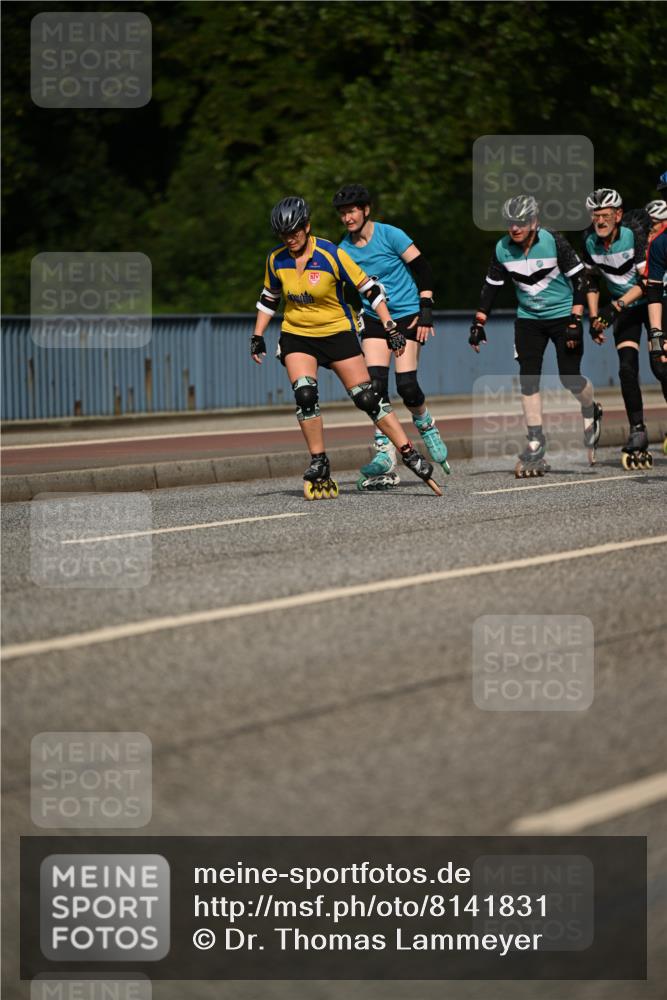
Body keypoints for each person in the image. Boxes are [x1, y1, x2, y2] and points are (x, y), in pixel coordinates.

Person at [250, 196, 442, 498]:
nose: (290, 239)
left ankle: (408, 453)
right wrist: (258, 334)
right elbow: (269, 297)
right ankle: (319, 461)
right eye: (284, 234)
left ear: (307, 227)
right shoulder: (277, 259)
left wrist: (389, 325)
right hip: (297, 335)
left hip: (337, 333)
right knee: (305, 394)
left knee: (368, 398)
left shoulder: (331, 253)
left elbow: (371, 289)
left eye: (295, 232)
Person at [468, 195, 602, 477]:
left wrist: (576, 319)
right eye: (510, 223)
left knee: (569, 377)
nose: (514, 228)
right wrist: (479, 323)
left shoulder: (553, 241)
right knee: (528, 378)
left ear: (534, 221)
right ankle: (535, 439)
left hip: (563, 315)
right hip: (529, 319)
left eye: (520, 223)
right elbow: (491, 287)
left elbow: (581, 280)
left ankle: (591, 408)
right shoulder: (502, 248)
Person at [332, 183, 450, 491]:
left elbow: (423, 270)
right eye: (343, 214)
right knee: (375, 388)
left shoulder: (390, 235)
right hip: (374, 319)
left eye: (352, 211)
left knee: (408, 387)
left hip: (409, 315)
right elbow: (345, 290)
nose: (348, 218)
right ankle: (385, 453)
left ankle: (425, 424)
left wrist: (426, 310)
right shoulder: (342, 250)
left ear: (366, 210)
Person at [582, 188, 654, 469]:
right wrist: (593, 318)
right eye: (595, 215)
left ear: (619, 215)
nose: (599, 221)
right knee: (626, 368)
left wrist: (614, 308)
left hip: (652, 302)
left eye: (606, 216)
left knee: (660, 367)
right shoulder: (589, 240)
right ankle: (638, 430)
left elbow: (647, 281)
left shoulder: (633, 233)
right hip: (623, 309)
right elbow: (590, 280)